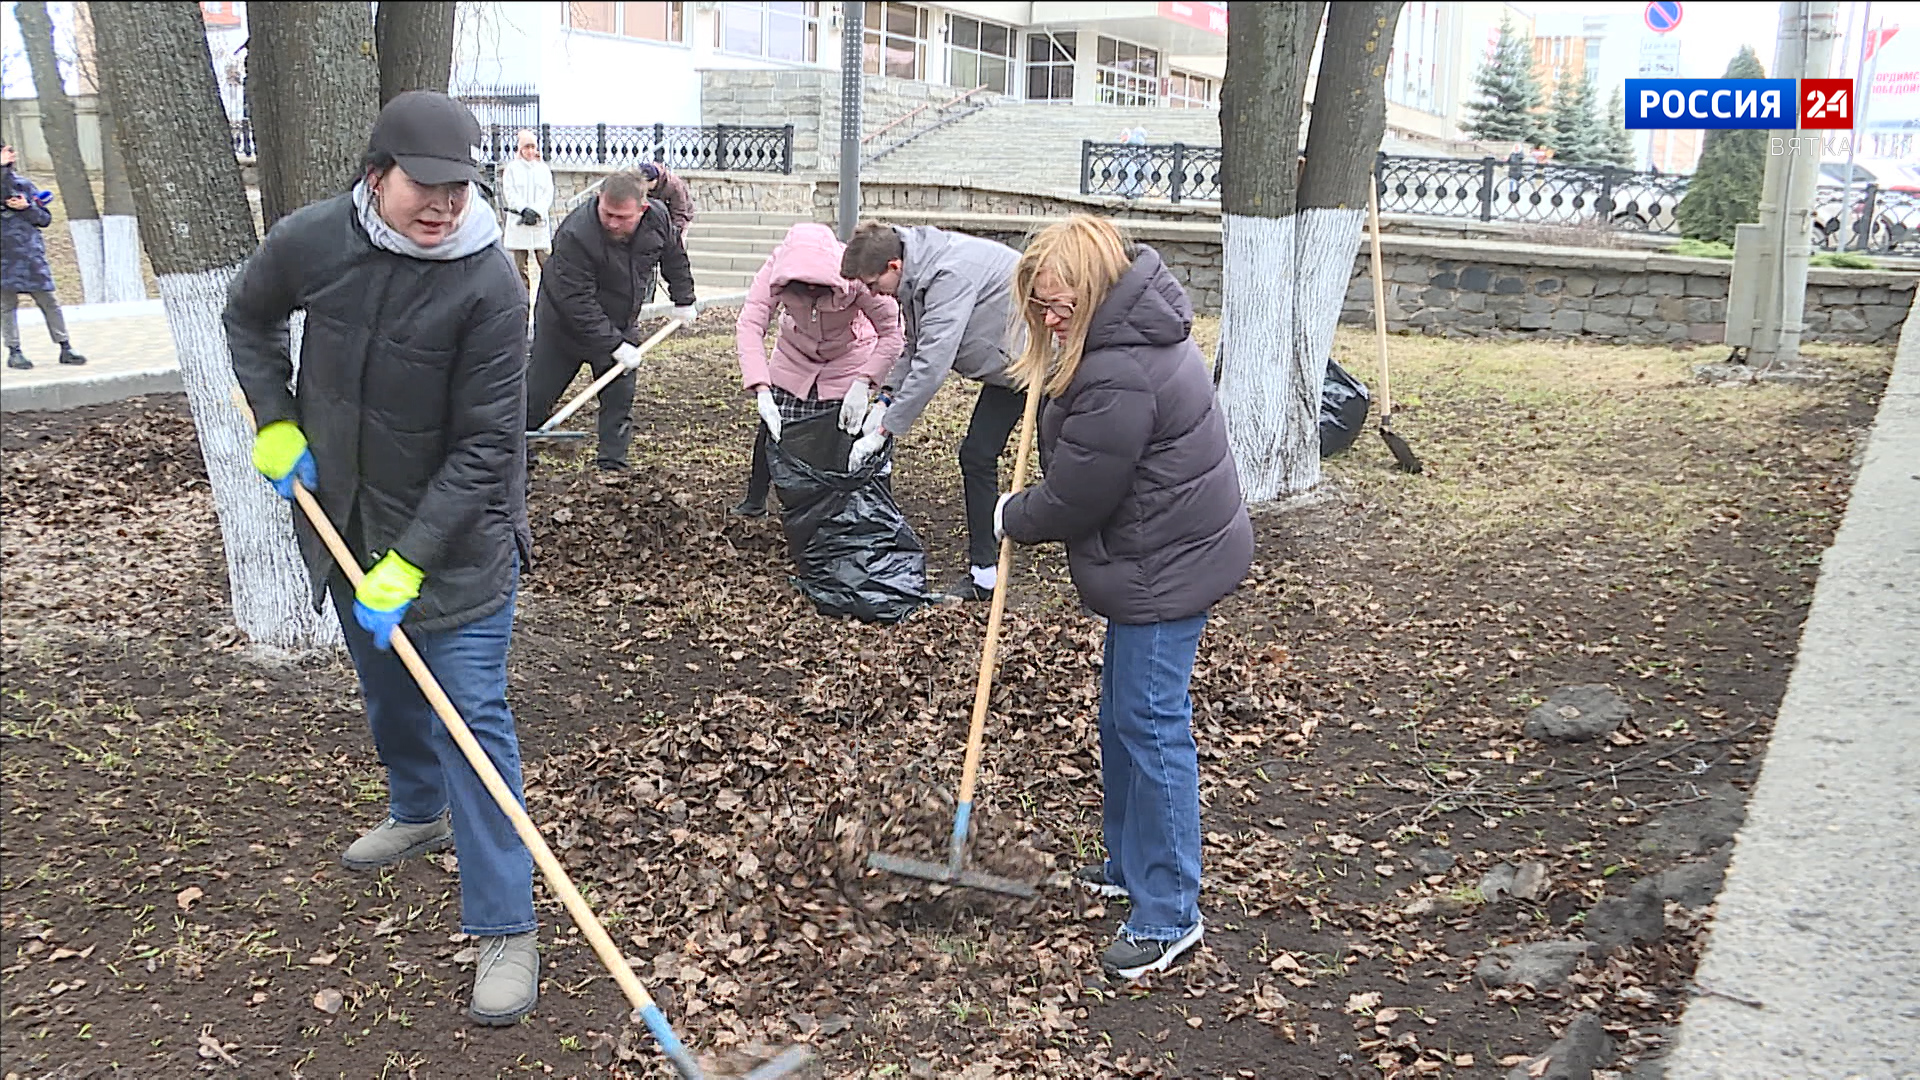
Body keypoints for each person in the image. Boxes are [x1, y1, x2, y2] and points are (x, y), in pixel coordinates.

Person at [224, 91, 541, 1027]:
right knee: (387, 682)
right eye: (427, 187)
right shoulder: (314, 240)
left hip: (459, 541)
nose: (445, 206)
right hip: (345, 519)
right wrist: (276, 421)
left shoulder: (489, 285)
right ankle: (416, 808)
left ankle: (504, 926)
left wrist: (410, 559)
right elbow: (247, 320)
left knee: (472, 719)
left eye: (460, 189)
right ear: (377, 178)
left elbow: (489, 445)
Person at [993, 215, 1252, 981]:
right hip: (1162, 547)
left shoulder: (1120, 368)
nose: (1049, 318)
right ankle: (1127, 864)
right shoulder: (1123, 334)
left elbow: (1080, 494)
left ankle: (1170, 910)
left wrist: (1016, 515)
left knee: (1151, 723)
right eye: (1039, 306)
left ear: (1096, 285)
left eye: (1060, 304)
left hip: (1165, 563)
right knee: (1123, 716)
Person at [839, 222, 1023, 601]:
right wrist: (884, 399)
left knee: (1065, 467)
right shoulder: (914, 276)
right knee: (976, 454)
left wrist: (883, 430)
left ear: (894, 266)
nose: (873, 293)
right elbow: (913, 346)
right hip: (1008, 370)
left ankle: (1093, 586)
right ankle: (984, 575)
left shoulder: (948, 274)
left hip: (1051, 365)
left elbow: (933, 362)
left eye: (874, 284)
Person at [525, 170, 695, 476]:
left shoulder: (657, 219)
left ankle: (612, 470)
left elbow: (673, 255)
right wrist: (613, 345)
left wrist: (684, 298)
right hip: (563, 327)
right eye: (608, 213)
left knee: (618, 400)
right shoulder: (577, 233)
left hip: (620, 321)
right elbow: (575, 300)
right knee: (535, 397)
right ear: (598, 200)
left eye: (622, 217)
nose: (613, 222)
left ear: (642, 209)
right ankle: (516, 458)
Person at [732, 222, 903, 517]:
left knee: (846, 432)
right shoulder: (775, 269)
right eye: (803, 287)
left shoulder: (855, 271)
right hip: (794, 355)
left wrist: (865, 381)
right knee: (773, 428)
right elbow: (750, 323)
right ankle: (756, 497)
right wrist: (761, 388)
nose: (811, 292)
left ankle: (861, 504)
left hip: (849, 357)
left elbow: (892, 332)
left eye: (818, 288)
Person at [2, 144, 86, 370]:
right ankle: (14, 351)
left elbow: (44, 219)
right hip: (3, 259)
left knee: (49, 302)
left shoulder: (24, 185)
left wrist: (27, 207)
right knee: (6, 305)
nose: (10, 154)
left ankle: (65, 346)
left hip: (29, 255)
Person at [500, 129, 554, 294]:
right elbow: (509, 192)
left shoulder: (543, 169)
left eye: (533, 147)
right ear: (520, 149)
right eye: (527, 147)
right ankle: (523, 303)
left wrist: (536, 210)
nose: (530, 151)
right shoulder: (511, 169)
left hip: (538, 223)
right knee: (519, 269)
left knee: (548, 265)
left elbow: (548, 193)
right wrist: (523, 209)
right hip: (519, 223)